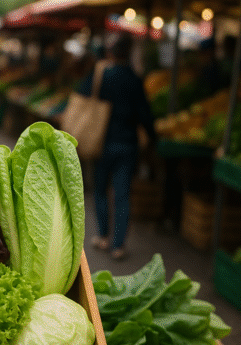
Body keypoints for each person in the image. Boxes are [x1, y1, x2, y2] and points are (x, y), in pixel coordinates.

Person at [77, 33, 156, 260]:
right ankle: (118, 245)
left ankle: (103, 236)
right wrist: (153, 138)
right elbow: (145, 114)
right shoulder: (135, 79)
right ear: (129, 53)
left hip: (101, 142)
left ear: (111, 52)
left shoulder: (102, 75)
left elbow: (82, 95)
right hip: (127, 145)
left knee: (100, 190)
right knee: (122, 195)